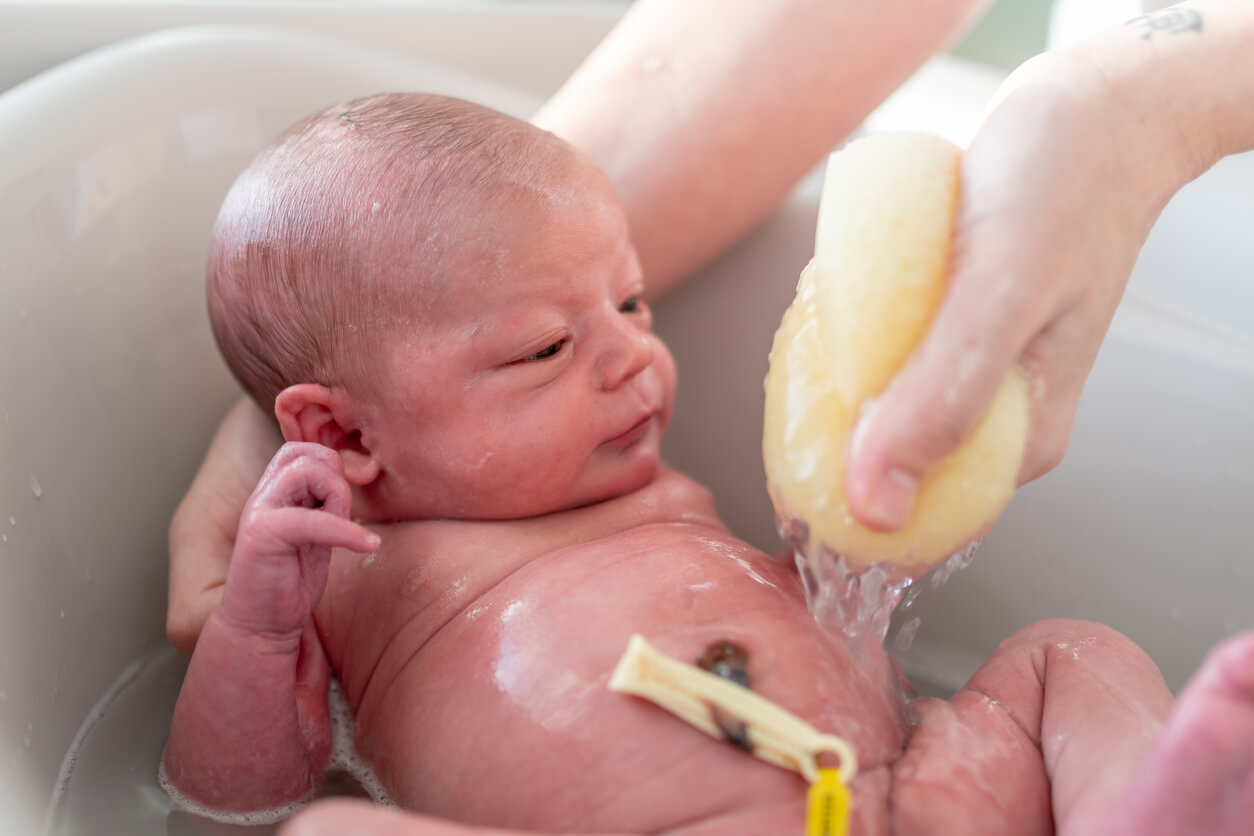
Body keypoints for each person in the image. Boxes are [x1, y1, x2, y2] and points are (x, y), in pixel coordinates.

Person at [163, 91, 1254, 836]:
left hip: (926, 785)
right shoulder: (343, 568)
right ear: (349, 437)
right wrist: (255, 627)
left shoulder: (650, 488)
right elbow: (232, 797)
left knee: (1069, 653)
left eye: (632, 302)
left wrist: (873, 523)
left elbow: (837, 607)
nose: (634, 355)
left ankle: (1141, 812)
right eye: (547, 348)